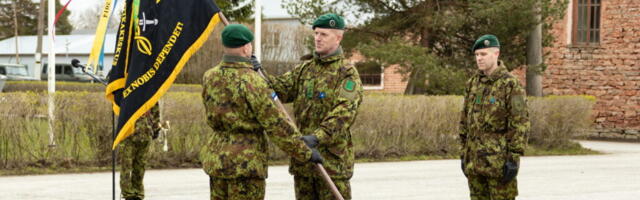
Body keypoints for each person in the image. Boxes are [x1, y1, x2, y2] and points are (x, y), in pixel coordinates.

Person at [200, 24, 323, 200]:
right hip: (245, 163)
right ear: (246, 47)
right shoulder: (252, 81)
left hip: (217, 160)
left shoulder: (209, 76)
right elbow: (276, 125)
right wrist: (304, 152)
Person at [264, 13, 363, 200]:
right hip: (304, 162)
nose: (317, 38)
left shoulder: (347, 74)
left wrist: (316, 138)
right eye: (316, 33)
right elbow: (279, 90)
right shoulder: (305, 69)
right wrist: (257, 72)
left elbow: (344, 113)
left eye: (324, 34)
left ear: (338, 37)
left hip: (331, 164)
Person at [459, 34, 530, 200]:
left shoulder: (510, 84)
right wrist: (463, 153)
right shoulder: (473, 83)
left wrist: (513, 159)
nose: (479, 59)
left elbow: (520, 123)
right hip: (474, 164)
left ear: (496, 54)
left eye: (483, 54)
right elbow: (464, 120)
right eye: (477, 55)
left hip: (498, 164)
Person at [119, 104, 160, 200]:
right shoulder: (127, 90)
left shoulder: (149, 92)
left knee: (140, 166)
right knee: (126, 166)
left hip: (146, 134)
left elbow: (155, 111)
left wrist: (156, 128)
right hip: (128, 135)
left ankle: (138, 193)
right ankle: (128, 194)